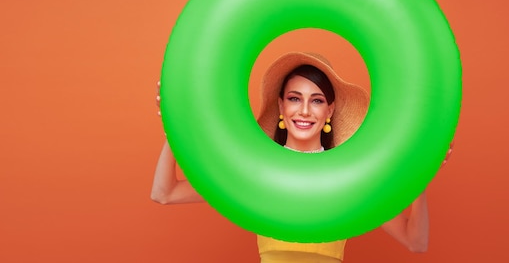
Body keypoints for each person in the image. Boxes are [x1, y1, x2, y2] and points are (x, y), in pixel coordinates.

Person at [151, 52, 452, 262]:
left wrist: (420, 178)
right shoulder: (258, 170)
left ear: (329, 111)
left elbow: (416, 242)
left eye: (317, 100)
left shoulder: (348, 177)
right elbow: (164, 193)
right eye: (295, 98)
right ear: (281, 106)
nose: (305, 111)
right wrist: (174, 132)